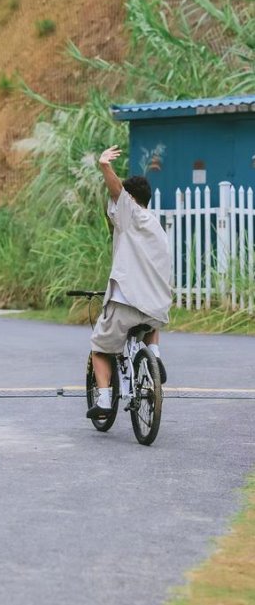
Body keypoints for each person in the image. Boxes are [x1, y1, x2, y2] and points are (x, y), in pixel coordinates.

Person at [86, 145, 172, 420]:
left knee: (100, 348)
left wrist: (104, 166)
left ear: (132, 199)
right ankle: (154, 357)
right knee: (150, 322)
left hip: (127, 303)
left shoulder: (131, 214)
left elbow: (116, 192)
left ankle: (102, 400)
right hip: (157, 305)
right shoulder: (157, 227)